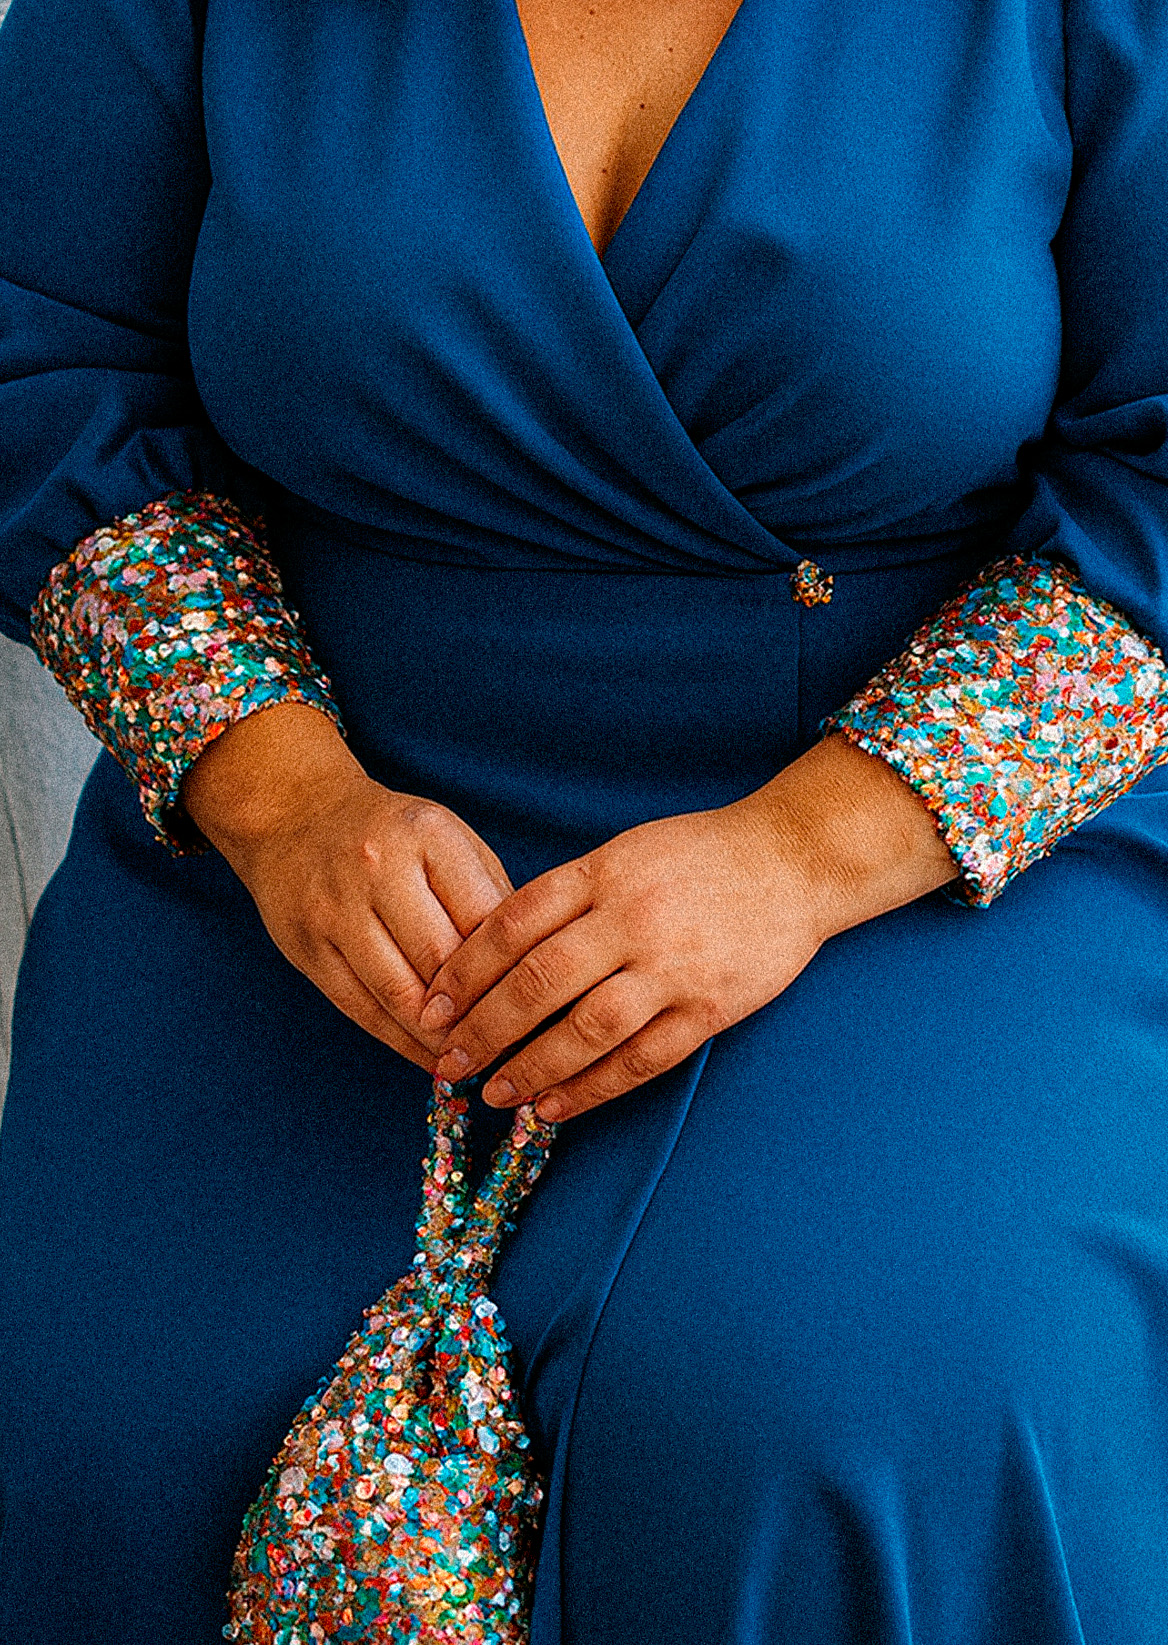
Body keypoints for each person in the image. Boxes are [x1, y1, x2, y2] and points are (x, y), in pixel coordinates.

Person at [2, 0, 1168, 1637]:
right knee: (109, 1404)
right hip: (305, 825)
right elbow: (43, 365)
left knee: (836, 1416)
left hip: (930, 843)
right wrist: (278, 794)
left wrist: (804, 855)